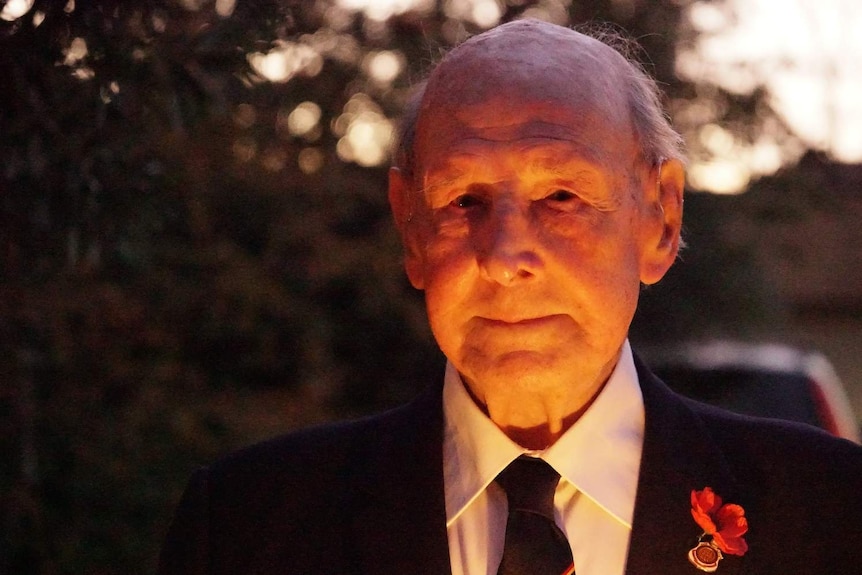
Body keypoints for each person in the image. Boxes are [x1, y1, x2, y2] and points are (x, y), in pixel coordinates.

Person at [158, 19, 862, 575]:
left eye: (561, 195)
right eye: (465, 199)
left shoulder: (833, 515)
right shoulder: (248, 527)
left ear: (660, 219)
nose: (503, 258)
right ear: (411, 225)